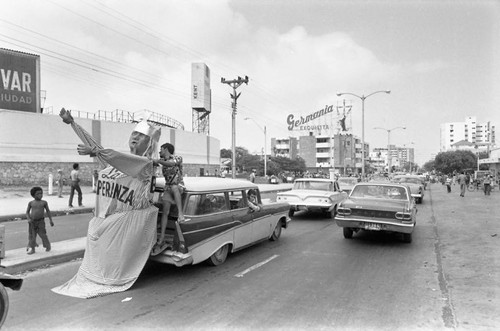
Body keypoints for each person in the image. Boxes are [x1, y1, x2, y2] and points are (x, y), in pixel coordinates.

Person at [52, 108, 161, 299]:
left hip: (129, 221)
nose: (135, 137)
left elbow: (108, 153)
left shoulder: (145, 165)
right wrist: (72, 123)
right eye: (134, 133)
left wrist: (96, 151)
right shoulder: (112, 162)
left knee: (113, 269)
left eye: (141, 136)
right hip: (107, 219)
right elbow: (98, 148)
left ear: (149, 143)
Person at [151, 142, 186, 256]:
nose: (160, 152)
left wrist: (158, 161)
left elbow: (171, 164)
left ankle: (181, 214)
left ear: (166, 149)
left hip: (178, 186)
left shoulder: (177, 158)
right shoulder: (161, 160)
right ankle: (161, 238)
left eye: (161, 149)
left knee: (175, 187)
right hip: (168, 187)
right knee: (165, 212)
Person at [25, 186, 54, 254]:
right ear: (33, 195)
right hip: (32, 222)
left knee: (43, 234)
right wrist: (28, 219)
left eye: (41, 193)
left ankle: (47, 246)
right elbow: (27, 212)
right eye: (38, 194)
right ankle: (33, 249)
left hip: (41, 221)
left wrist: (51, 220)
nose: (40, 195)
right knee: (32, 236)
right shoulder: (31, 203)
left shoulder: (44, 202)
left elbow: (48, 211)